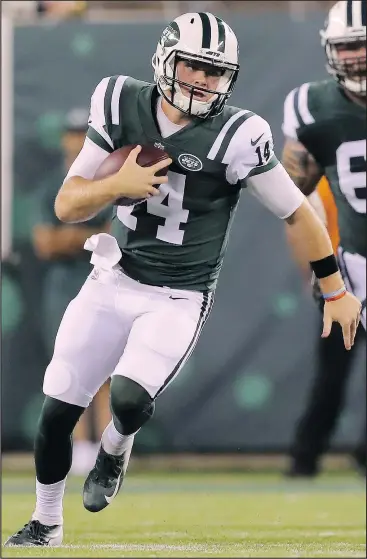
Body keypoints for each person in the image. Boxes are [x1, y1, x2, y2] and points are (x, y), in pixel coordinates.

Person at [6, 11, 361, 547]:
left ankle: (118, 445)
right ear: (166, 60)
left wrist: (334, 288)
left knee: (127, 398)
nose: (201, 79)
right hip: (113, 278)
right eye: (193, 65)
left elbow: (299, 213)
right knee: (58, 401)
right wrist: (115, 184)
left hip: (177, 294)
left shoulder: (239, 134)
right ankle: (46, 521)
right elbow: (66, 204)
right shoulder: (121, 101)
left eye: (214, 71)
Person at [281, 0, 366, 476]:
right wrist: (322, 270)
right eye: (348, 46)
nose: (356, 57)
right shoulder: (314, 106)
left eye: (364, 45)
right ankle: (304, 459)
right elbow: (292, 201)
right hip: (353, 269)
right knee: (332, 374)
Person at [32, 108, 112, 475]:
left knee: (109, 369)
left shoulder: (110, 182)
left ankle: (109, 448)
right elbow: (44, 243)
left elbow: (113, 237)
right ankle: (80, 448)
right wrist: (87, 239)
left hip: (106, 284)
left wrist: (72, 239)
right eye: (72, 133)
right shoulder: (51, 185)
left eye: (84, 133)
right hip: (64, 287)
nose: (77, 140)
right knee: (70, 367)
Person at [285, 178, 365, 477]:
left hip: (341, 288)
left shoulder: (330, 170)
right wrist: (317, 277)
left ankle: (306, 458)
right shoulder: (328, 177)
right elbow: (300, 224)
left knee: (330, 380)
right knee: (330, 381)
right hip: (341, 291)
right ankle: (305, 456)